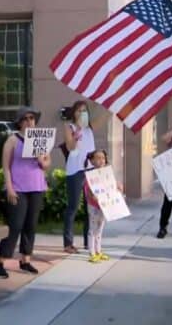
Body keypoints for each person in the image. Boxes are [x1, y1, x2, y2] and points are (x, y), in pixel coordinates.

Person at [0, 106, 50, 278]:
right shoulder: (12, 140)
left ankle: (25, 259)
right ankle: (0, 262)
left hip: (37, 186)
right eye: (26, 118)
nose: (29, 121)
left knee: (30, 225)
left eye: (32, 118)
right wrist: (9, 187)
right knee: (15, 225)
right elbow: (6, 166)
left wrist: (41, 158)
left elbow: (46, 164)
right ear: (20, 121)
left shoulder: (41, 139)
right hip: (18, 187)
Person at [62, 101, 109, 254]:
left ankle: (89, 242)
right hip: (75, 170)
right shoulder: (70, 127)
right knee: (73, 207)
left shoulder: (90, 128)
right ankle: (68, 243)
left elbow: (105, 116)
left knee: (91, 207)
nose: (82, 114)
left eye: (85, 111)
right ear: (74, 113)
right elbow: (70, 147)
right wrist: (76, 136)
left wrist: (114, 103)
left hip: (90, 170)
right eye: (79, 111)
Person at [84, 149, 119, 263]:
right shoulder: (90, 175)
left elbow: (112, 186)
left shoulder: (107, 173)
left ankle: (99, 251)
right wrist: (92, 197)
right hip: (94, 205)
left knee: (100, 229)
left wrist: (118, 188)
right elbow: (87, 190)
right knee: (92, 229)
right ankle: (92, 252)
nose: (101, 160)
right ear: (92, 161)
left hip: (104, 205)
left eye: (103, 158)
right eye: (98, 158)